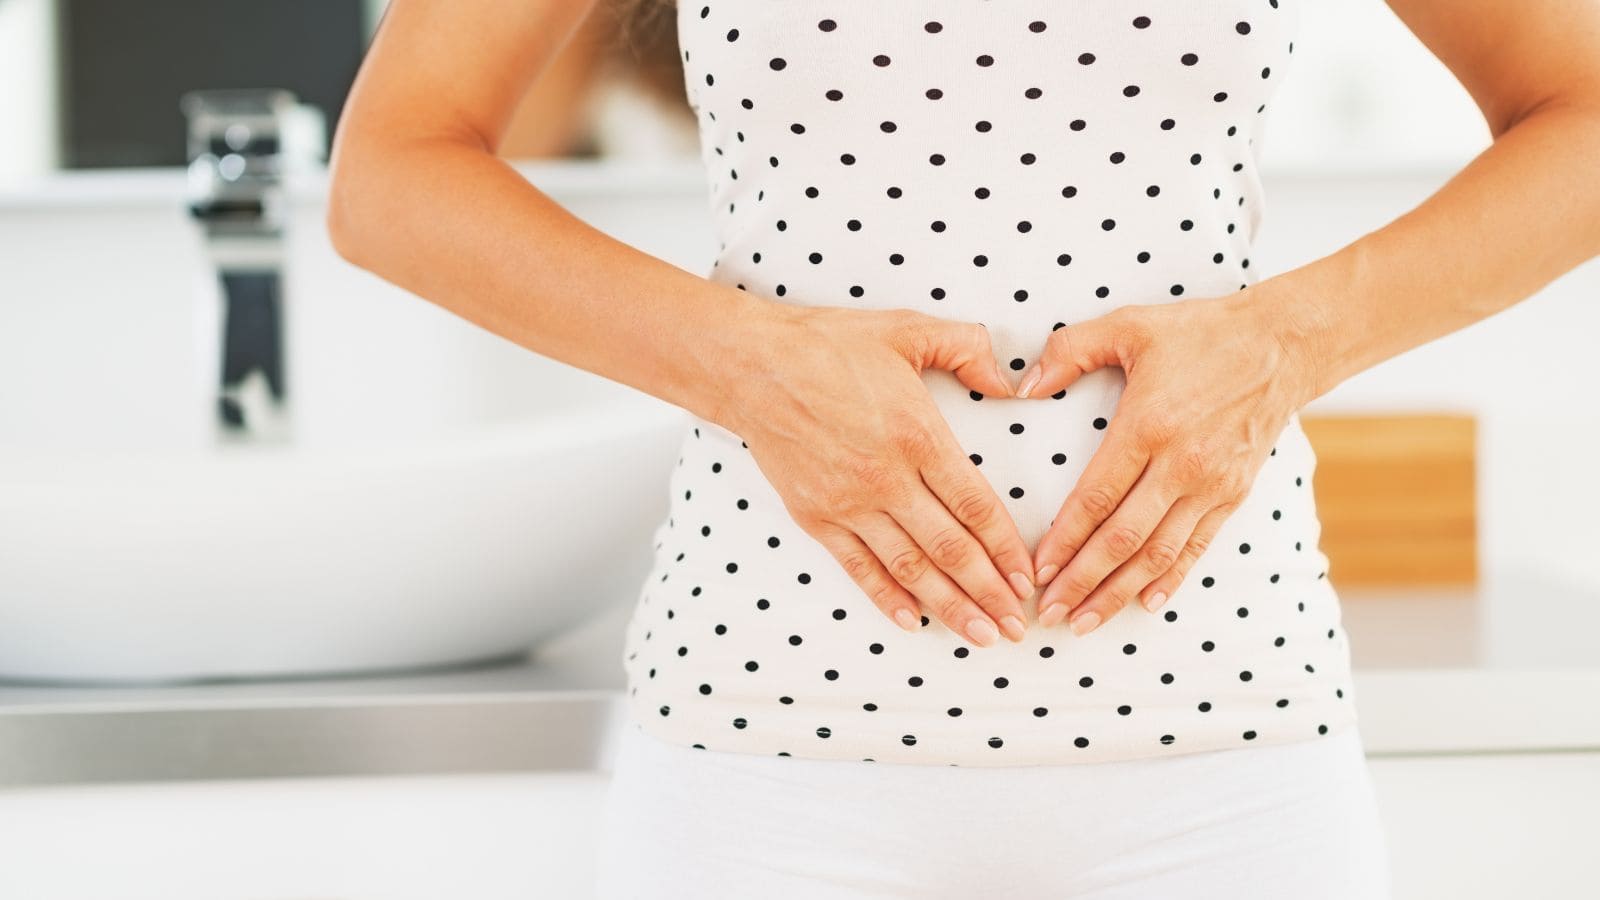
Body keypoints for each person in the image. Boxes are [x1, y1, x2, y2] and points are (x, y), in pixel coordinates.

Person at [325, 0, 1600, 897]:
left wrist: (1293, 338)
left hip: (1223, 755)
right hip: (768, 756)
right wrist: (749, 365)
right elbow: (395, 167)